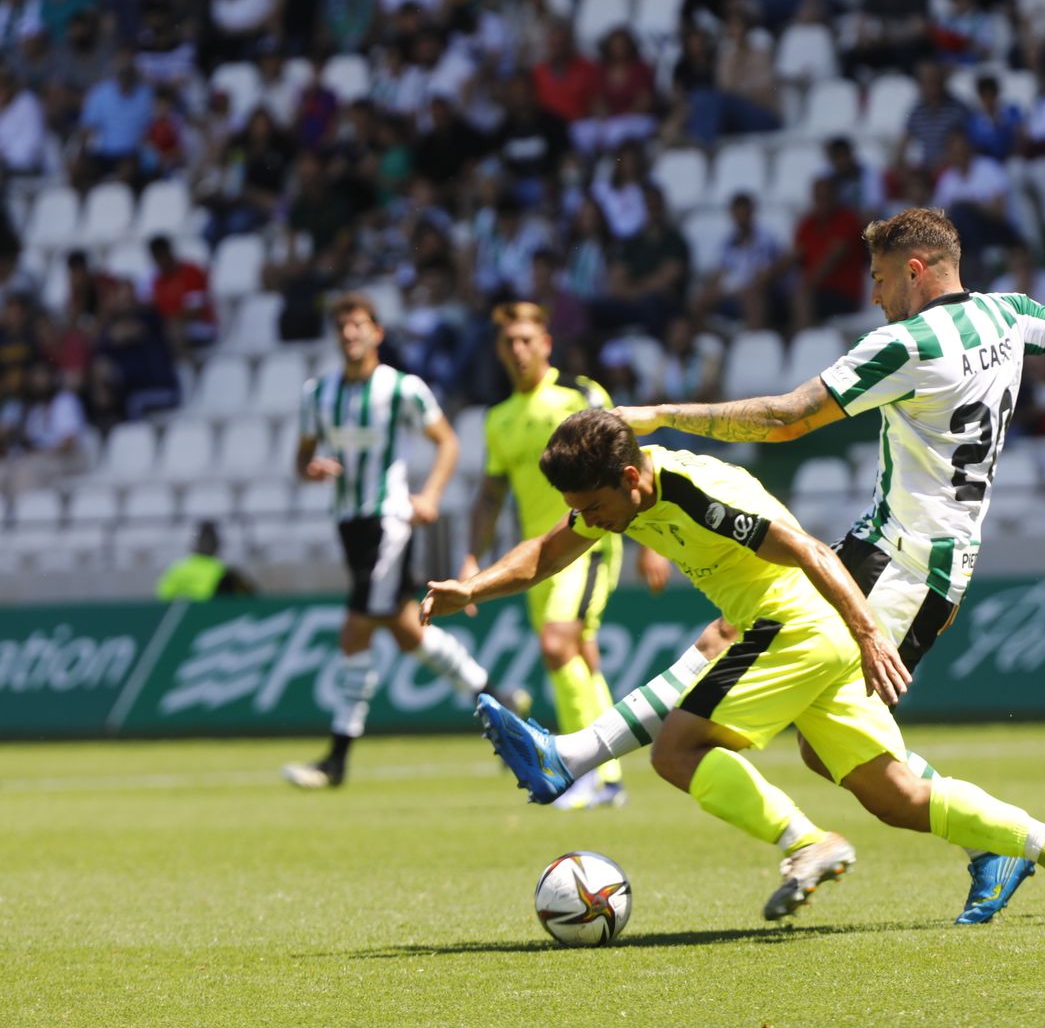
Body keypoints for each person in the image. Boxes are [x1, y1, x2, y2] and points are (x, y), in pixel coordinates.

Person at [456, 208, 1045, 924]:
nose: (873, 302)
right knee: (873, 781)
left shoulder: (903, 345)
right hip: (925, 556)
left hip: (899, 561)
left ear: (915, 269)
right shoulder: (1007, 314)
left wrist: (661, 414)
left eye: (876, 282)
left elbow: (788, 417)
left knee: (732, 654)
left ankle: (577, 754)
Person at [422, 410, 1045, 924]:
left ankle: (808, 842)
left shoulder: (695, 491)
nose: (590, 522)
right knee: (894, 795)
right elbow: (546, 553)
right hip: (807, 635)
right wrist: (472, 589)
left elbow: (810, 550)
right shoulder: (619, 499)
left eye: (595, 508)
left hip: (799, 627)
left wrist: (869, 633)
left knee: (676, 751)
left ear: (630, 479)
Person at [282, 293, 524, 790]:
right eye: (344, 327)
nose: (351, 334)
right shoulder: (319, 393)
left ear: (377, 332)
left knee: (355, 630)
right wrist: (311, 470)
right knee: (410, 633)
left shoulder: (401, 389)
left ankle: (337, 760)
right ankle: (500, 703)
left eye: (359, 325)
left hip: (389, 523)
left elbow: (448, 443)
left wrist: (430, 494)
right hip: (348, 524)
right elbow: (301, 459)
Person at [462, 300, 669, 809]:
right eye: (509, 342)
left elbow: (629, 462)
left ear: (546, 344)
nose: (518, 349)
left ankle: (587, 773)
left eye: (527, 339)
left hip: (590, 540)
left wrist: (650, 540)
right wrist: (472, 556)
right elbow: (490, 494)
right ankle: (609, 779)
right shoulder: (499, 420)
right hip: (539, 556)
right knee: (579, 657)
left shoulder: (579, 394)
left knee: (559, 644)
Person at [156, 521, 256, 601]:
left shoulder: (226, 572)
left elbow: (249, 598)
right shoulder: (178, 568)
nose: (207, 544)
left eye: (211, 540)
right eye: (204, 540)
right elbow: (163, 599)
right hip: (195, 618)